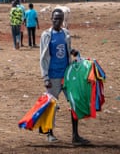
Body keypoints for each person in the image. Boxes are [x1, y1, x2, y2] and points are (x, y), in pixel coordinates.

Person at [39, 9, 90, 145]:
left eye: (60, 19)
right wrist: (45, 77)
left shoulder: (66, 34)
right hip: (53, 76)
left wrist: (74, 52)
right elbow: (43, 57)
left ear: (63, 20)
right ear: (51, 19)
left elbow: (68, 50)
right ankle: (49, 134)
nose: (57, 21)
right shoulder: (46, 35)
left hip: (66, 76)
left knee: (74, 103)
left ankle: (75, 136)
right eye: (55, 19)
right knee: (51, 106)